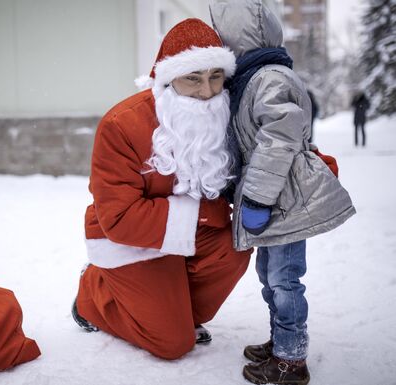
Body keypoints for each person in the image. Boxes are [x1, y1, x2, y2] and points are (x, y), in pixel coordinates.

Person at [71, 18, 252, 360]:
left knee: (236, 246)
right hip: (127, 238)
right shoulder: (121, 125)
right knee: (173, 345)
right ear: (167, 80)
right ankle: (92, 293)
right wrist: (202, 214)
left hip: (193, 228)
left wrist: (308, 168)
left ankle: (178, 315)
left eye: (216, 77)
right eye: (193, 79)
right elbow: (119, 217)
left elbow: (275, 144)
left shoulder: (225, 111)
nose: (207, 91)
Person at [209, 1, 356, 384]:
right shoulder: (250, 79)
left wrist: (256, 196)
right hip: (274, 198)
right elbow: (247, 140)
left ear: (240, 37)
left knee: (285, 279)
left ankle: (292, 360)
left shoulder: (270, 78)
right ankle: (281, 341)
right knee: (269, 275)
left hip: (285, 200)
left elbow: (279, 139)